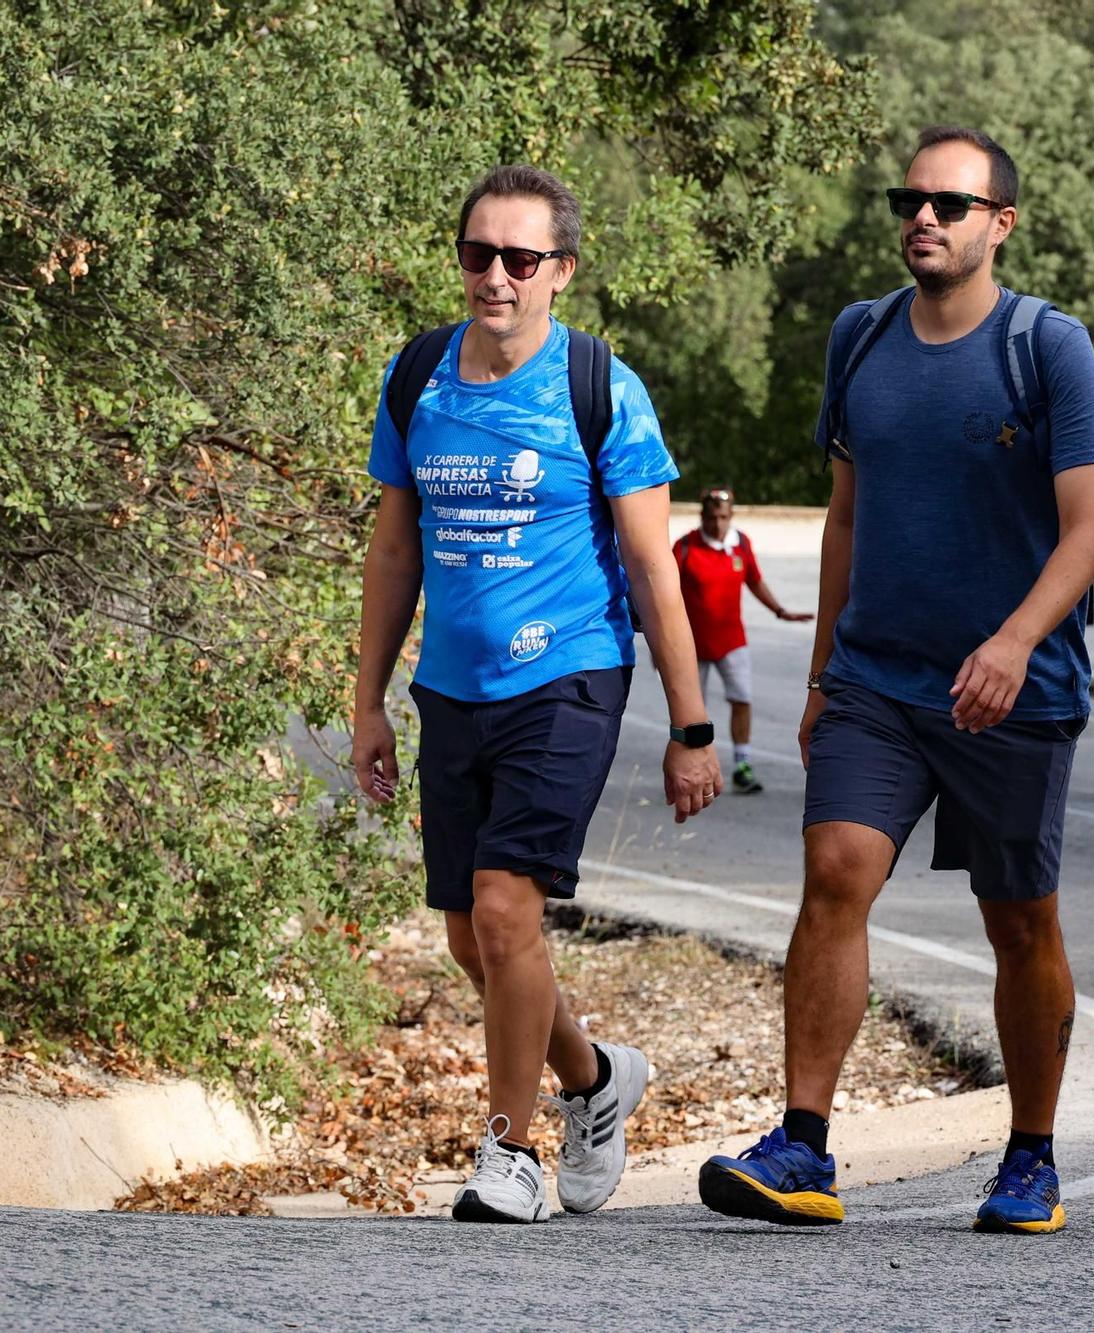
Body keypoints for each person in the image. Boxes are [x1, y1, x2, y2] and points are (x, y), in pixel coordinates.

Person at [697, 126, 1094, 1233]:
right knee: (834, 869)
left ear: (1000, 223)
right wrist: (817, 669)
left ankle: (1029, 1156)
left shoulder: (1047, 348)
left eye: (949, 202)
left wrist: (1013, 640)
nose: (923, 216)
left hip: (1011, 692)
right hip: (875, 683)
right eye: (910, 198)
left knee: (1017, 919)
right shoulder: (859, 338)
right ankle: (801, 1143)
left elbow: (1087, 528)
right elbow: (845, 515)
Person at [352, 165, 722, 1225]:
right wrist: (369, 698)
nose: (496, 278)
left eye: (521, 259)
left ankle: (507, 1151)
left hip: (567, 675)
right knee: (475, 937)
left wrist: (691, 728)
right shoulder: (417, 375)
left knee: (510, 907)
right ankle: (596, 1078)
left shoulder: (599, 386)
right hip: (452, 686)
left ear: (562, 270)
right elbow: (393, 548)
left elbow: (656, 571)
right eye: (479, 255)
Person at [673, 486, 814, 794]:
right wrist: (664, 647)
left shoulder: (741, 545)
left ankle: (742, 764)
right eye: (712, 518)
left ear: (731, 516)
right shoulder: (684, 548)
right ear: (702, 516)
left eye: (723, 517)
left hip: (731, 641)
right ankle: (692, 768)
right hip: (691, 645)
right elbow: (665, 596)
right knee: (691, 709)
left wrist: (780, 611)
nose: (718, 524)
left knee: (742, 700)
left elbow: (754, 580)